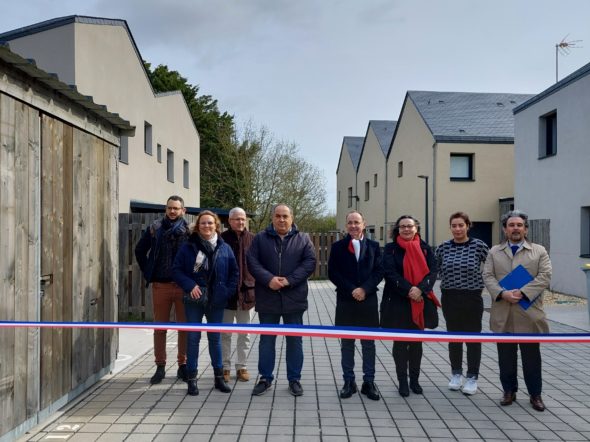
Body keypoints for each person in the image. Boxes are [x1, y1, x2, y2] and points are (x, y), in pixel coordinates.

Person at [483, 210, 551, 412]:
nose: (515, 228)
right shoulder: (494, 252)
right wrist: (502, 293)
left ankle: (535, 394)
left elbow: (545, 276)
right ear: (505, 229)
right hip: (503, 312)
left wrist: (522, 292)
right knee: (506, 357)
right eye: (511, 225)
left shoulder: (539, 251)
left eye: (519, 225)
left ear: (526, 229)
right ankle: (508, 391)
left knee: (531, 358)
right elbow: (487, 276)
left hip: (528, 313)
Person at [247, 204, 316, 397]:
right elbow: (252, 261)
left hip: (294, 298)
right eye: (278, 216)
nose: (281, 219)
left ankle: (294, 379)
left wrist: (289, 281)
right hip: (267, 298)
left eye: (285, 216)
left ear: (292, 218)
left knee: (295, 341)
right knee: (267, 341)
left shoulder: (303, 239)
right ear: (272, 218)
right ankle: (265, 378)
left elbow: (310, 262)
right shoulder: (260, 238)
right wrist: (269, 279)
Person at [172, 210, 239, 396]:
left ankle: (219, 378)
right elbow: (176, 270)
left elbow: (234, 273)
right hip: (194, 300)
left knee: (215, 339)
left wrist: (226, 292)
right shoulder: (188, 247)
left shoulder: (225, 247)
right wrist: (189, 285)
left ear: (216, 225)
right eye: (203, 223)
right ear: (197, 226)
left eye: (210, 223)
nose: (207, 226)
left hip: (216, 300)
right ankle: (192, 380)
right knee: (193, 339)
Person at [380, 215, 439, 397]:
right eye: (402, 226)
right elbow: (389, 273)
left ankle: (415, 380)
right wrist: (410, 290)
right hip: (398, 300)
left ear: (416, 228)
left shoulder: (425, 248)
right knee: (400, 345)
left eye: (410, 226)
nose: (406, 229)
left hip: (419, 301)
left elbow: (433, 271)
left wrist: (420, 289)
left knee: (416, 345)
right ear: (397, 229)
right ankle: (402, 381)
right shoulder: (390, 249)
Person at [328, 211, 384, 400]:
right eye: (350, 222)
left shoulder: (375, 247)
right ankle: (348, 382)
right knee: (347, 344)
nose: (353, 226)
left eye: (356, 222)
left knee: (368, 344)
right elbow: (333, 273)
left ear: (363, 224)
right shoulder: (337, 247)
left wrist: (364, 290)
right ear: (346, 225)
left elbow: (378, 272)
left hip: (367, 301)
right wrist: (353, 289)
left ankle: (369, 382)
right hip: (346, 299)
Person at [135, 195, 189, 384]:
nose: (172, 211)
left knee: (185, 328)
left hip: (184, 287)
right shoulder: (154, 228)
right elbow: (139, 250)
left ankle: (183, 366)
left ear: (184, 210)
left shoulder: (190, 231)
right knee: (160, 328)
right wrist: (148, 270)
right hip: (161, 285)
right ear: (166, 209)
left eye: (176, 208)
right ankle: (160, 366)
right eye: (169, 208)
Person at [435, 212, 489, 395]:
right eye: (454, 226)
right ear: (450, 227)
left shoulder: (479, 246)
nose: (457, 229)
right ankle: (456, 374)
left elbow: (491, 268)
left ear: (468, 226)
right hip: (450, 297)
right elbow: (435, 269)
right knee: (454, 338)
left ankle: (472, 376)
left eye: (461, 225)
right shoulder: (443, 247)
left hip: (472, 297)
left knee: (473, 338)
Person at [221, 207, 255, 383]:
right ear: (229, 220)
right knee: (225, 334)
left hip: (247, 294)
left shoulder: (253, 240)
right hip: (226, 296)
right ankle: (224, 368)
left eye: (243, 219)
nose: (240, 222)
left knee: (245, 334)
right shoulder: (221, 239)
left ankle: (241, 367)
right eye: (236, 219)